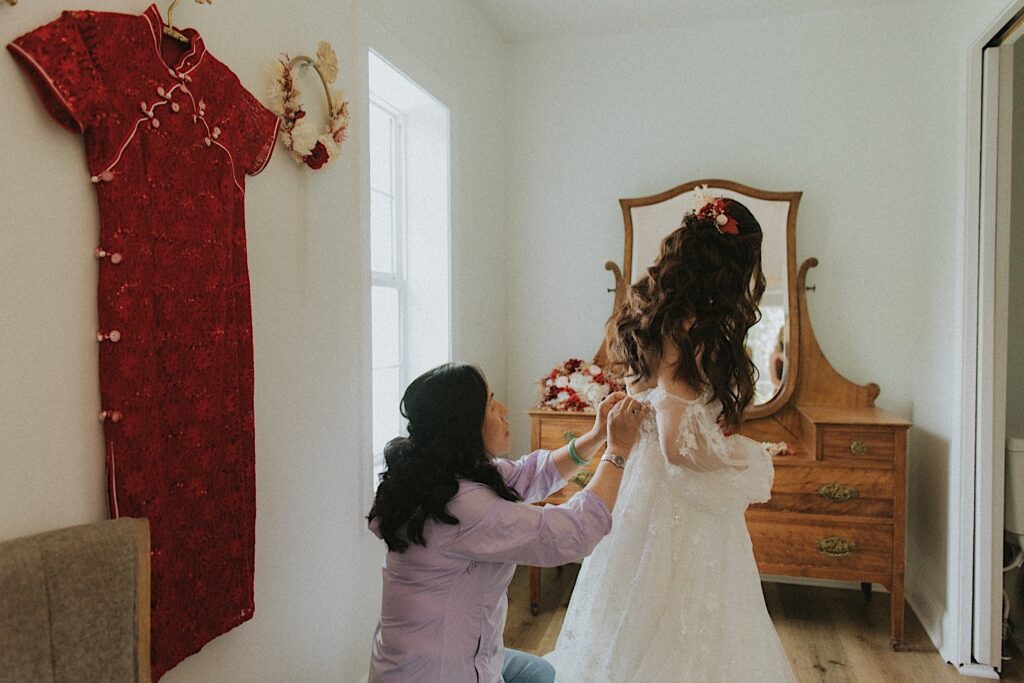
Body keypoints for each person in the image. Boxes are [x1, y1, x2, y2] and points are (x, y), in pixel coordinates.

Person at [545, 188, 797, 681]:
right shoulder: (692, 326)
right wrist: (734, 461)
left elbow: (654, 403)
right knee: (682, 616)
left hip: (639, 488)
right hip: (673, 495)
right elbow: (675, 444)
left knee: (632, 608)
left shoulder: (653, 310)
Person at [366, 363, 647, 682]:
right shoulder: (464, 507)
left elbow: (531, 473)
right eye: (491, 404)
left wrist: (597, 435)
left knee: (542, 672)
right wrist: (618, 450)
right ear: (465, 425)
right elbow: (574, 532)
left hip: (423, 655)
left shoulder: (438, 475)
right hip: (435, 672)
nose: (503, 410)